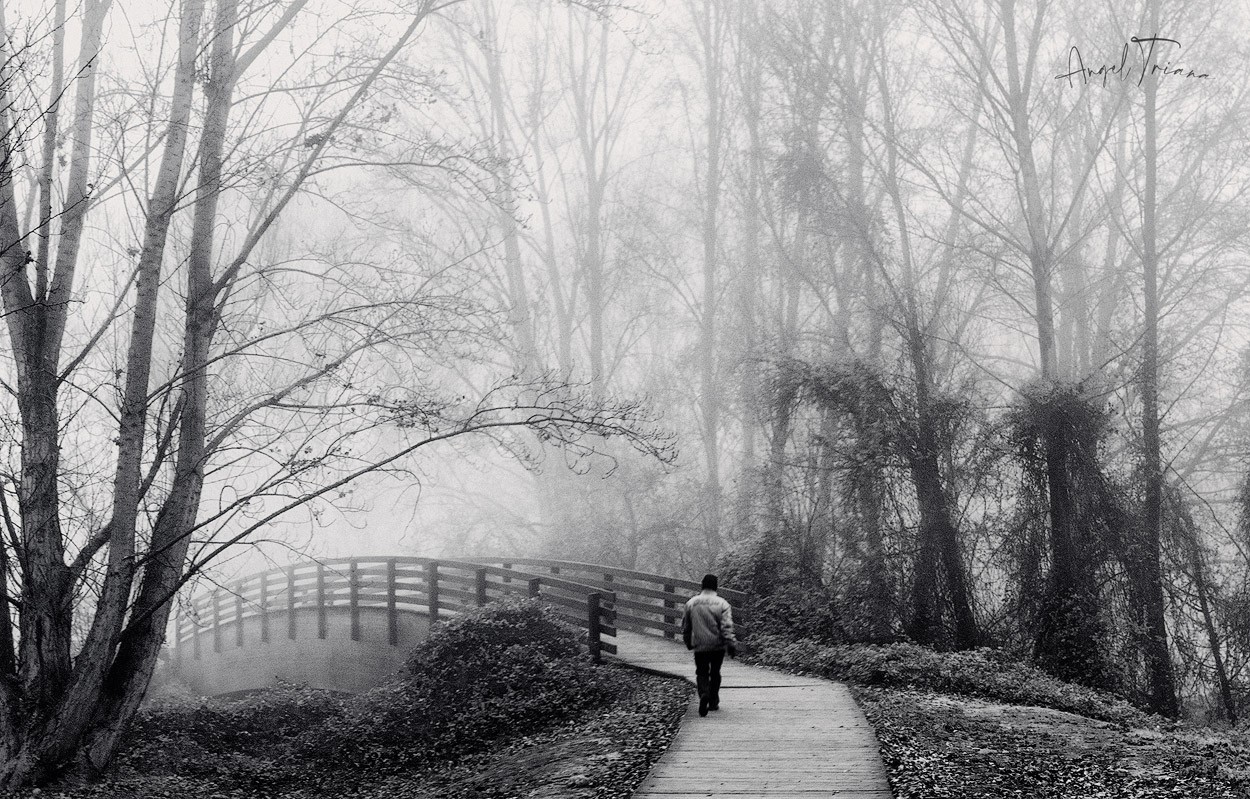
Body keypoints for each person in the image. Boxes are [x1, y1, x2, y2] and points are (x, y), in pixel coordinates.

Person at [681, 573, 737, 717]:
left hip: (700, 643)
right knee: (715, 672)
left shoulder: (691, 603)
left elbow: (686, 626)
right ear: (716, 586)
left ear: (702, 585)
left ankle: (704, 693)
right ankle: (713, 701)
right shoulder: (722, 604)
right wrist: (730, 643)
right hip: (717, 645)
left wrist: (688, 641)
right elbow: (727, 626)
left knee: (702, 671)